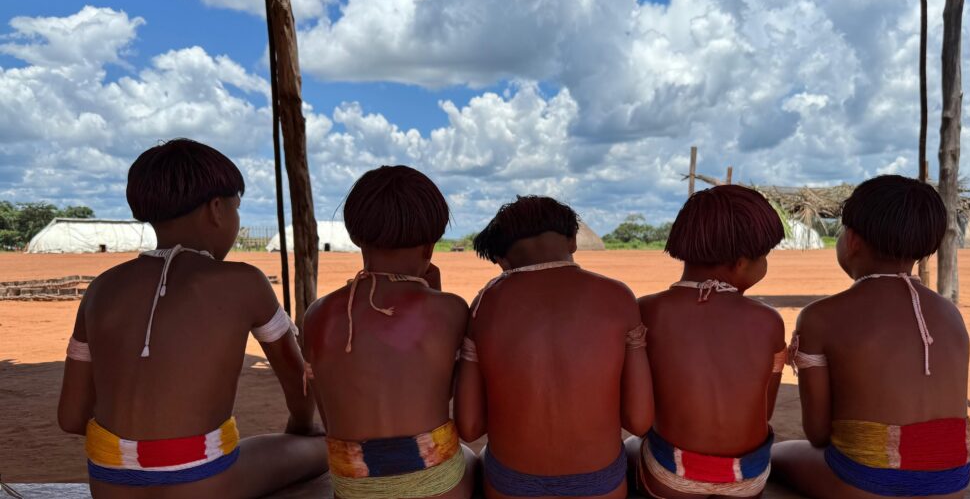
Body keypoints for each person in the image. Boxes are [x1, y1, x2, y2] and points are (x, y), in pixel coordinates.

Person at [58, 138, 326, 499]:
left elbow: (72, 419)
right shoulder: (244, 281)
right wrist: (299, 426)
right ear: (216, 209)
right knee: (323, 448)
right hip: (204, 482)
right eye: (237, 208)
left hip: (109, 484)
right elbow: (299, 386)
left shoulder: (100, 289)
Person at [772, 175, 970, 498]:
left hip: (864, 484)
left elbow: (818, 434)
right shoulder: (951, 315)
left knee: (774, 455)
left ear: (852, 241)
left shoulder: (820, 317)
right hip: (951, 483)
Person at [456, 195, 654, 499]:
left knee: (477, 459)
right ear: (573, 240)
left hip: (511, 485)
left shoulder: (484, 306)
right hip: (600, 484)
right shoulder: (618, 297)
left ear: (502, 260)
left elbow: (469, 428)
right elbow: (639, 421)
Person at [302, 165, 475, 499]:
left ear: (354, 236)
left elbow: (328, 414)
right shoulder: (451, 309)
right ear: (431, 245)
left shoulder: (316, 314)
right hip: (436, 487)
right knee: (474, 457)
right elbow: (447, 395)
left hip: (352, 486)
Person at [629, 185, 786, 499]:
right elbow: (764, 411)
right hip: (748, 479)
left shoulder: (646, 311)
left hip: (672, 478)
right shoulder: (770, 322)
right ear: (742, 263)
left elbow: (639, 418)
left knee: (631, 446)